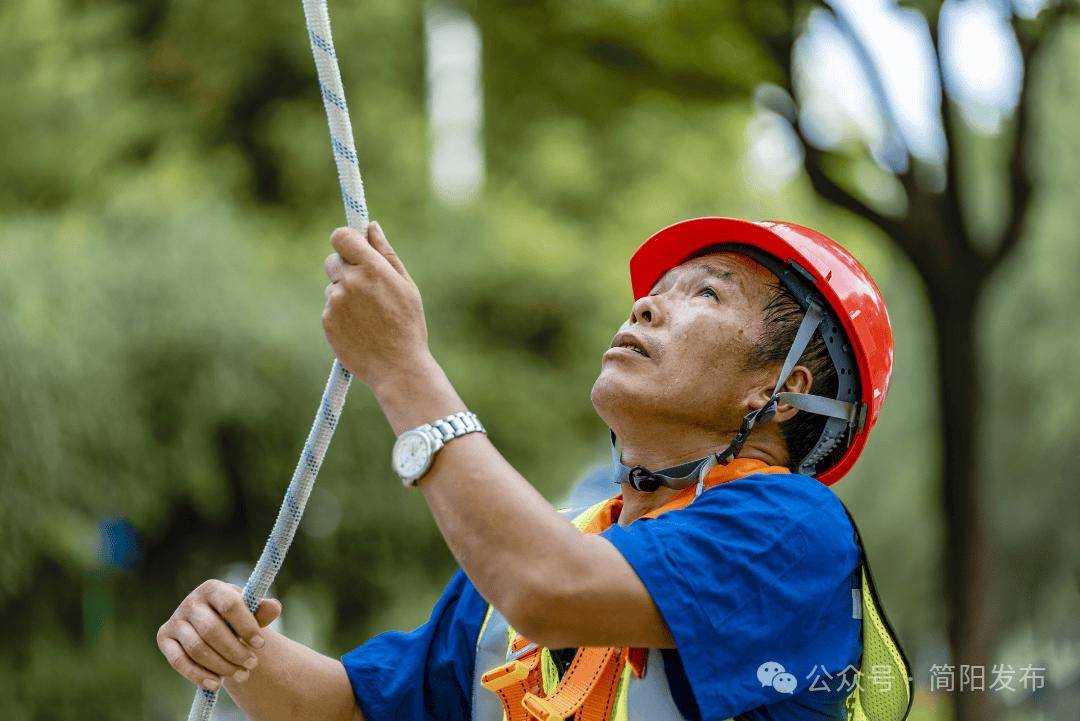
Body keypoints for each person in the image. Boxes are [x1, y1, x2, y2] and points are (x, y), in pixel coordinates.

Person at [157, 217, 912, 721]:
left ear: (780, 392)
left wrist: (399, 367)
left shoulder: (794, 531)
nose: (646, 307)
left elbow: (550, 589)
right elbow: (355, 708)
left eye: (704, 293)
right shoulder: (533, 557)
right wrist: (241, 651)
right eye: (654, 292)